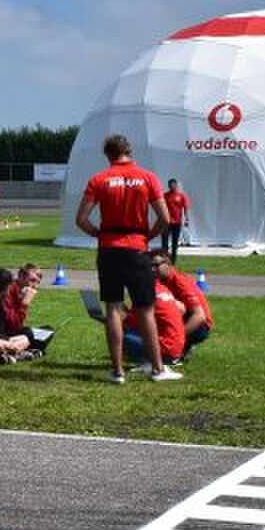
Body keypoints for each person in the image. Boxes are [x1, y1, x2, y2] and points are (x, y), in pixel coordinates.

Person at [74, 132, 180, 384]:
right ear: (129, 151)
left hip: (109, 248)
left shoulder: (99, 179)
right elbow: (165, 219)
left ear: (108, 154)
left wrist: (99, 233)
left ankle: (117, 371)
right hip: (136, 247)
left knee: (112, 307)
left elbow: (81, 219)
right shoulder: (147, 177)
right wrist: (147, 236)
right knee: (144, 309)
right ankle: (157, 369)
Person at [155, 253, 212, 362]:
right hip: (185, 318)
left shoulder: (180, 281)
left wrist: (177, 338)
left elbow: (200, 316)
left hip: (200, 326)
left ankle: (179, 347)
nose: (153, 269)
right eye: (150, 266)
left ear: (168, 264)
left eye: (156, 265)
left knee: (172, 306)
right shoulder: (159, 280)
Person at [162, 178, 191, 261]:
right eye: (170, 185)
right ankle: (165, 259)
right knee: (164, 242)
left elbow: (185, 208)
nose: (171, 186)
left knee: (175, 243)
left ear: (176, 185)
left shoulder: (181, 196)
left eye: (173, 185)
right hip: (166, 222)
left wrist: (187, 219)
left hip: (177, 223)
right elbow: (161, 207)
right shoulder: (165, 195)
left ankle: (173, 260)